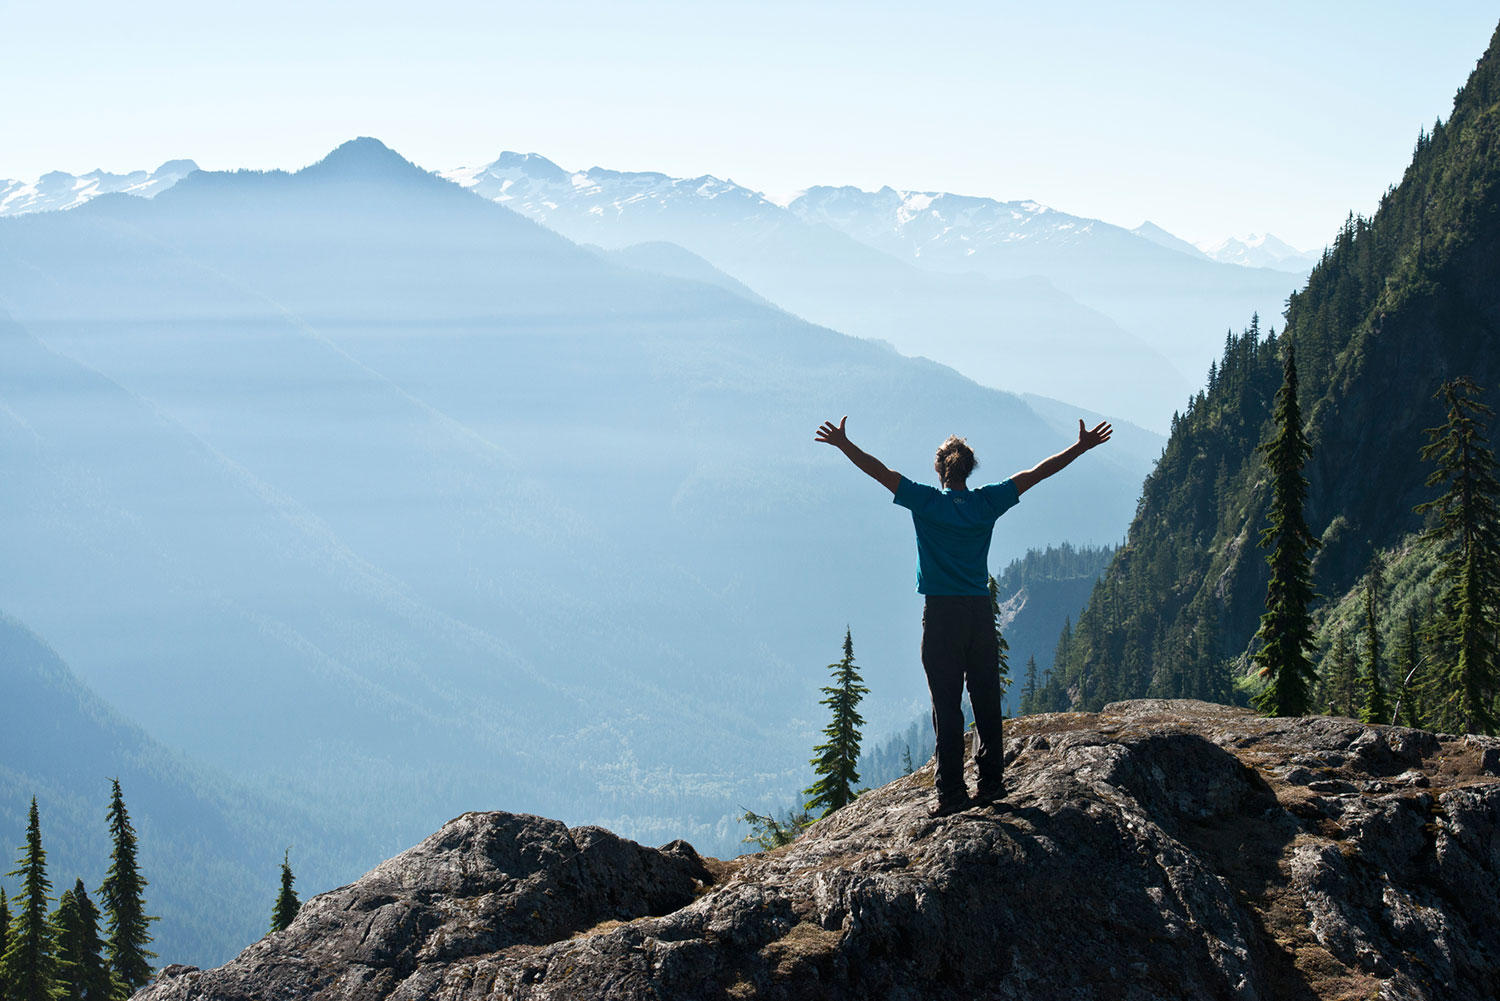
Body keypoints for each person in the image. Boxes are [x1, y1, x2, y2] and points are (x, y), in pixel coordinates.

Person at [815, 416, 1113, 817]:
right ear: (969, 470)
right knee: (986, 700)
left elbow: (879, 471)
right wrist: (1080, 447)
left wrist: (844, 444)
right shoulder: (986, 502)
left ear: (939, 469)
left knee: (947, 705)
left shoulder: (926, 502)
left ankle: (952, 793)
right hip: (979, 614)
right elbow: (1036, 474)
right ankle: (991, 784)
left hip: (941, 615)